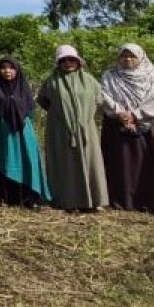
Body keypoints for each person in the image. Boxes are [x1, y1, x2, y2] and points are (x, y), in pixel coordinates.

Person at [99, 44, 154, 216]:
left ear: (141, 58)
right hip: (119, 122)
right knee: (124, 162)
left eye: (132, 56)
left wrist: (136, 114)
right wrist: (121, 114)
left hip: (151, 122)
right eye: (124, 56)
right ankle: (125, 201)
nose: (127, 59)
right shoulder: (110, 76)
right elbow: (104, 96)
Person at [37, 44, 109, 212]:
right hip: (60, 131)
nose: (68, 63)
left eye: (71, 59)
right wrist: (63, 116)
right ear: (59, 63)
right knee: (65, 164)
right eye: (63, 60)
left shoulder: (90, 80)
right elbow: (43, 100)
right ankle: (66, 201)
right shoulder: (52, 82)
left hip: (86, 130)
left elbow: (99, 100)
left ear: (78, 61)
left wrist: (83, 118)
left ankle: (94, 200)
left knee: (90, 162)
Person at [0, 56, 50, 208]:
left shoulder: (24, 88)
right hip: (2, 132)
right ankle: (0, 197)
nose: (7, 71)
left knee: (27, 162)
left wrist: (29, 133)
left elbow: (31, 113)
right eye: (4, 68)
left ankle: (29, 199)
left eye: (11, 68)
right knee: (3, 160)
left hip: (24, 133)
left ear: (17, 70)